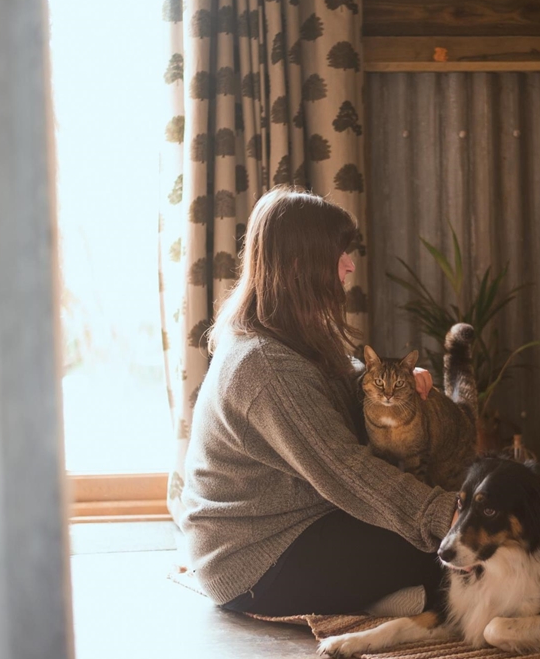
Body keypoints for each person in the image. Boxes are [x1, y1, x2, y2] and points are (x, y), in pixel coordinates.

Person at [180, 186, 457, 617]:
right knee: (462, 551)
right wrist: (448, 516)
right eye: (338, 254)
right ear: (298, 264)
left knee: (453, 546)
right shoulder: (264, 365)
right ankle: (404, 599)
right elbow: (346, 469)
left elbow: (343, 377)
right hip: (255, 560)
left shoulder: (290, 331)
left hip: (295, 527)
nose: (349, 265)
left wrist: (401, 380)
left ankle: (399, 598)